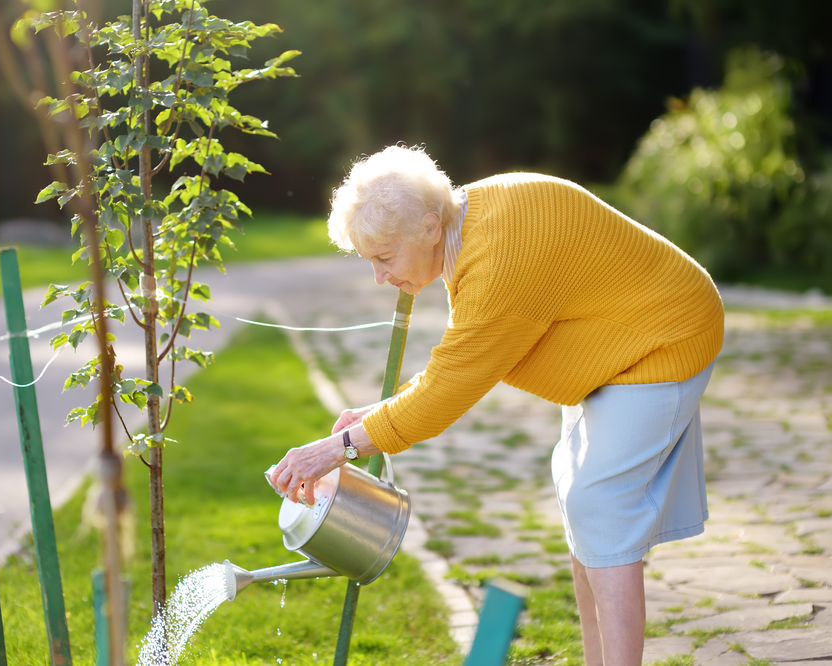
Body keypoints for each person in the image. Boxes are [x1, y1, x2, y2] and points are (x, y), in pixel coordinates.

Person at [270, 145, 723, 666]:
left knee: (598, 503)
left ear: (428, 224)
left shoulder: (499, 258)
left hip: (662, 338)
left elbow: (446, 393)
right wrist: (373, 420)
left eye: (384, 258)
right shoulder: (475, 218)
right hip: (616, 349)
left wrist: (339, 447)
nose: (380, 277)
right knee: (583, 506)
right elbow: (457, 364)